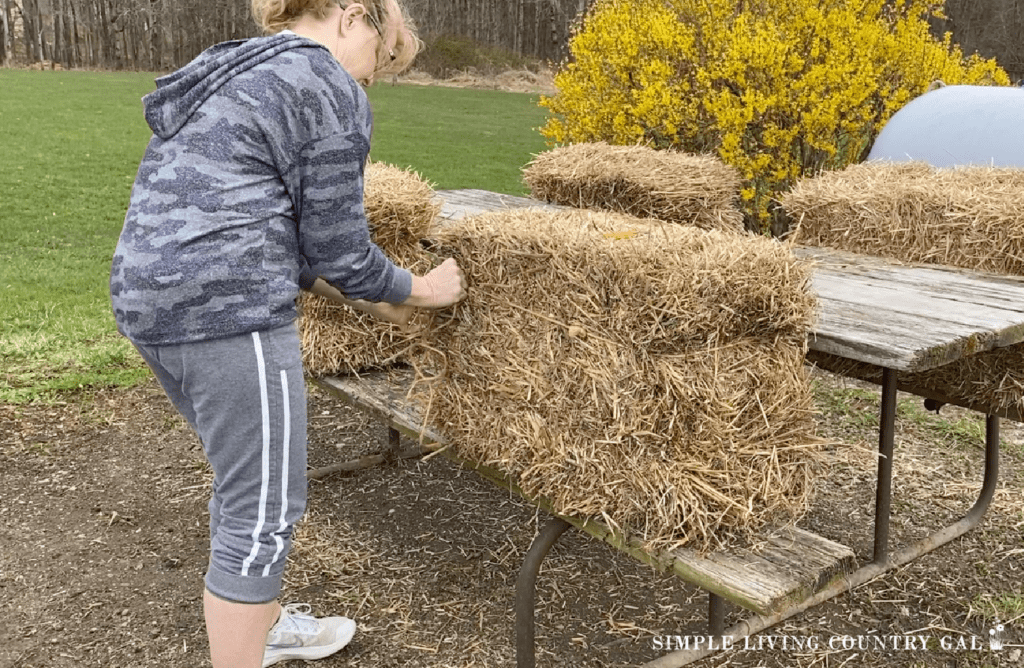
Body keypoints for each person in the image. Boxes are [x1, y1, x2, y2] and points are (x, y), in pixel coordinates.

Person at [108, 1, 467, 666]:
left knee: (247, 482)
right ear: (356, 16)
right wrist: (423, 289)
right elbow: (340, 248)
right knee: (262, 508)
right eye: (383, 60)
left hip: (148, 299)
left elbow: (282, 235)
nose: (370, 83)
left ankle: (262, 623)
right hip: (228, 310)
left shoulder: (238, 68)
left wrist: (373, 300)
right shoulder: (325, 83)